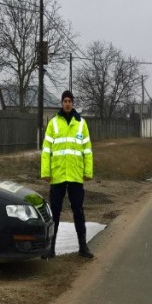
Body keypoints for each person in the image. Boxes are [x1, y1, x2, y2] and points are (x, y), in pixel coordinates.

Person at [41, 90, 95, 259]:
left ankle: (83, 247)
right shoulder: (53, 123)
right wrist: (45, 172)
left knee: (78, 210)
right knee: (54, 213)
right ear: (61, 103)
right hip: (57, 175)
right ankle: (51, 249)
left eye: (70, 101)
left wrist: (88, 172)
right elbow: (46, 150)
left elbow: (87, 150)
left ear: (73, 103)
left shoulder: (81, 124)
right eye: (65, 100)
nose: (67, 103)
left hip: (75, 175)